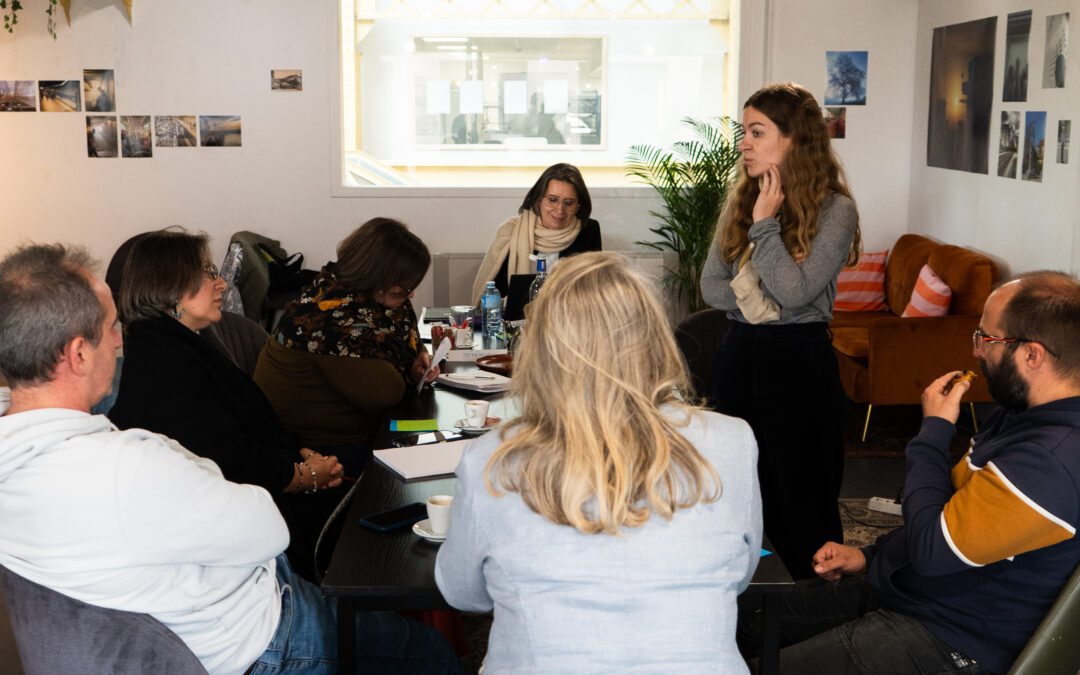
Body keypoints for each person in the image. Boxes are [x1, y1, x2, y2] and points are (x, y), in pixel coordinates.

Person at [0, 243, 463, 674]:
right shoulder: (124, 467)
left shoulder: (26, 456)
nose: (122, 343)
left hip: (202, 615)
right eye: (111, 328)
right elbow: (267, 526)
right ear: (78, 354)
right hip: (260, 639)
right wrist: (192, 467)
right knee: (432, 652)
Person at [739, 271, 1080, 674]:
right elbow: (945, 510)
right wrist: (869, 555)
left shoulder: (1054, 459)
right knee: (730, 616)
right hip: (906, 591)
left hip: (950, 636)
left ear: (1032, 355)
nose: (976, 352)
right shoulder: (1019, 414)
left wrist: (933, 433)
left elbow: (934, 549)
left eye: (986, 339)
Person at [437, 251, 763, 672]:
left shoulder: (492, 458)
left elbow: (463, 593)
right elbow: (739, 576)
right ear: (654, 339)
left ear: (543, 348)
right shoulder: (733, 441)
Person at [107, 229, 344, 581]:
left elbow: (252, 427)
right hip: (249, 536)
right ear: (170, 287)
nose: (221, 284)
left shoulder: (181, 344)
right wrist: (307, 475)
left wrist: (305, 454)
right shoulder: (164, 364)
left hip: (266, 496)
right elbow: (228, 463)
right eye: (207, 273)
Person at [700, 82, 862, 578]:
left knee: (802, 498)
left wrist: (765, 226)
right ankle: (740, 600)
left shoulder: (836, 210)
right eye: (744, 132)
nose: (743, 143)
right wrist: (768, 295)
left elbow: (797, 293)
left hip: (798, 367)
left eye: (757, 132)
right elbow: (711, 286)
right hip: (739, 359)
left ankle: (819, 610)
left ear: (793, 138)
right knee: (734, 490)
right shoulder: (742, 198)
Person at [254, 218, 440, 462]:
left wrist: (418, 362)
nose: (410, 294)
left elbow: (407, 346)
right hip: (311, 449)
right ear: (377, 278)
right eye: (403, 288)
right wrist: (407, 370)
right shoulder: (329, 316)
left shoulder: (371, 301)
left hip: (357, 432)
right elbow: (387, 391)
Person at [470, 162, 601, 305]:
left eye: (568, 203)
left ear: (577, 207)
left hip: (570, 320)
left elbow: (594, 291)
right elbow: (493, 293)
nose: (559, 210)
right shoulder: (511, 232)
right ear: (538, 200)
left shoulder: (589, 230)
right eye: (552, 200)